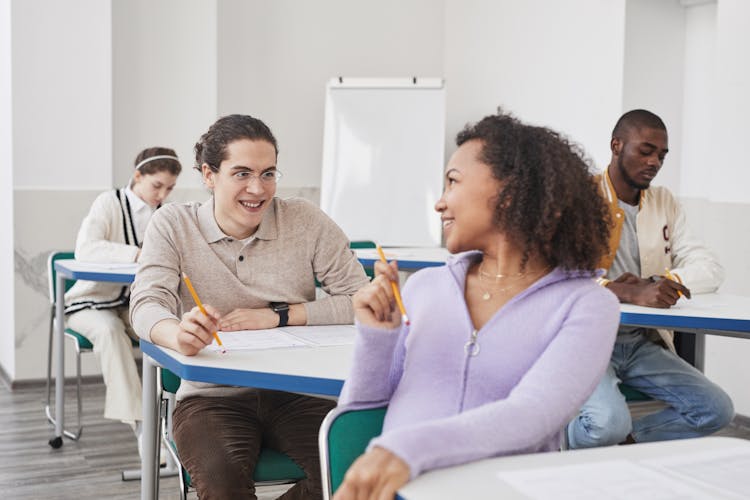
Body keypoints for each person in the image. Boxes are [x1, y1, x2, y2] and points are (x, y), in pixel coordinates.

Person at [332, 112, 621, 500]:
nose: (439, 203)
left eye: (453, 182)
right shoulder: (424, 287)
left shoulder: (587, 305)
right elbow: (359, 412)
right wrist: (377, 338)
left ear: (511, 191)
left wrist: (406, 450)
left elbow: (531, 416)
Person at [129, 114, 370, 500]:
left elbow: (363, 301)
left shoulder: (305, 220)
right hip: (212, 397)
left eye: (268, 173)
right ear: (209, 175)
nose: (258, 189)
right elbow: (145, 303)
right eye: (241, 173)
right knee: (223, 487)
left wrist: (279, 316)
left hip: (299, 391)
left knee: (358, 474)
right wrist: (177, 334)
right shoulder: (172, 223)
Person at [566, 109, 734, 449]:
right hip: (587, 338)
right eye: (646, 151)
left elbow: (709, 267)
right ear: (616, 145)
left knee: (716, 410)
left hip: (641, 342)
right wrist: (626, 291)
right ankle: (560, 450)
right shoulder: (579, 199)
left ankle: (626, 447)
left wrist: (657, 280)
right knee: (606, 424)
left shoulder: (664, 202)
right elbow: (558, 277)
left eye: (661, 155)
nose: (655, 161)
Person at [64, 147, 182, 451]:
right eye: (157, 185)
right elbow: (86, 249)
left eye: (169, 188)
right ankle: (142, 424)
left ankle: (175, 416)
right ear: (138, 176)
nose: (162, 194)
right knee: (108, 331)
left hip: (134, 306)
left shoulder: (164, 215)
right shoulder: (108, 203)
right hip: (89, 303)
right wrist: (138, 254)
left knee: (167, 330)